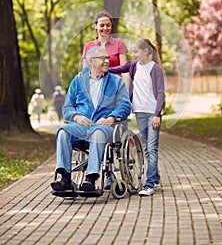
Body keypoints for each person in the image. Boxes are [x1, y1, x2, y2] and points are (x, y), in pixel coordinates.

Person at [51, 45, 131, 192]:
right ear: (91, 61)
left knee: (98, 133)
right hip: (82, 126)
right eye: (102, 58)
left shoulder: (116, 81)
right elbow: (67, 107)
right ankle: (65, 179)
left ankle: (91, 179)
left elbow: (125, 105)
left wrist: (113, 117)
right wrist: (76, 116)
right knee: (63, 131)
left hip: (104, 126)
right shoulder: (77, 81)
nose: (107, 61)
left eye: (107, 57)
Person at [109, 38, 165, 196]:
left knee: (152, 149)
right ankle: (155, 178)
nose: (133, 55)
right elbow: (115, 69)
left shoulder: (155, 69)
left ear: (146, 51)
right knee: (147, 149)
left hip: (152, 114)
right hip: (139, 112)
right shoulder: (133, 66)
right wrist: (95, 70)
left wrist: (157, 115)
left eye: (136, 51)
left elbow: (161, 93)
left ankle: (149, 185)